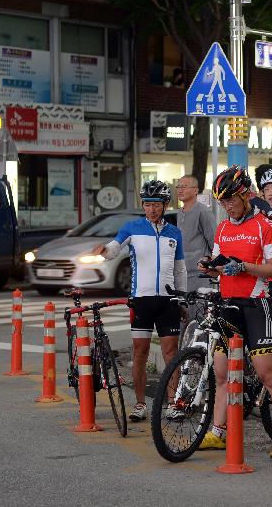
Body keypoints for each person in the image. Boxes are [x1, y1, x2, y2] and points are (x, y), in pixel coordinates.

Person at [198, 166, 272, 461]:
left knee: (269, 374)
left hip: (256, 305)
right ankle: (217, 432)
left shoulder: (265, 226)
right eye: (222, 201)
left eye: (230, 199)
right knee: (221, 371)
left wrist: (244, 267)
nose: (226, 206)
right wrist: (210, 266)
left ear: (245, 195)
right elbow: (220, 263)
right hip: (228, 304)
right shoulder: (223, 228)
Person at [91, 180, 187, 421]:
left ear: (165, 205)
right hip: (141, 300)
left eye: (156, 204)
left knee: (170, 352)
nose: (151, 209)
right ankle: (140, 404)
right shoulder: (132, 228)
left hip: (167, 300)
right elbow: (114, 249)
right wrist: (103, 249)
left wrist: (182, 299)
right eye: (147, 204)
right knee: (140, 351)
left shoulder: (174, 233)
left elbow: (180, 269)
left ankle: (173, 403)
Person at [175, 175, 216, 293]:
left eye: (184, 186)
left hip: (199, 274)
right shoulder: (179, 212)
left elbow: (214, 242)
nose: (180, 190)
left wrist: (212, 266)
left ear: (196, 190)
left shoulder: (203, 211)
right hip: (182, 273)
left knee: (198, 309)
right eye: (178, 187)